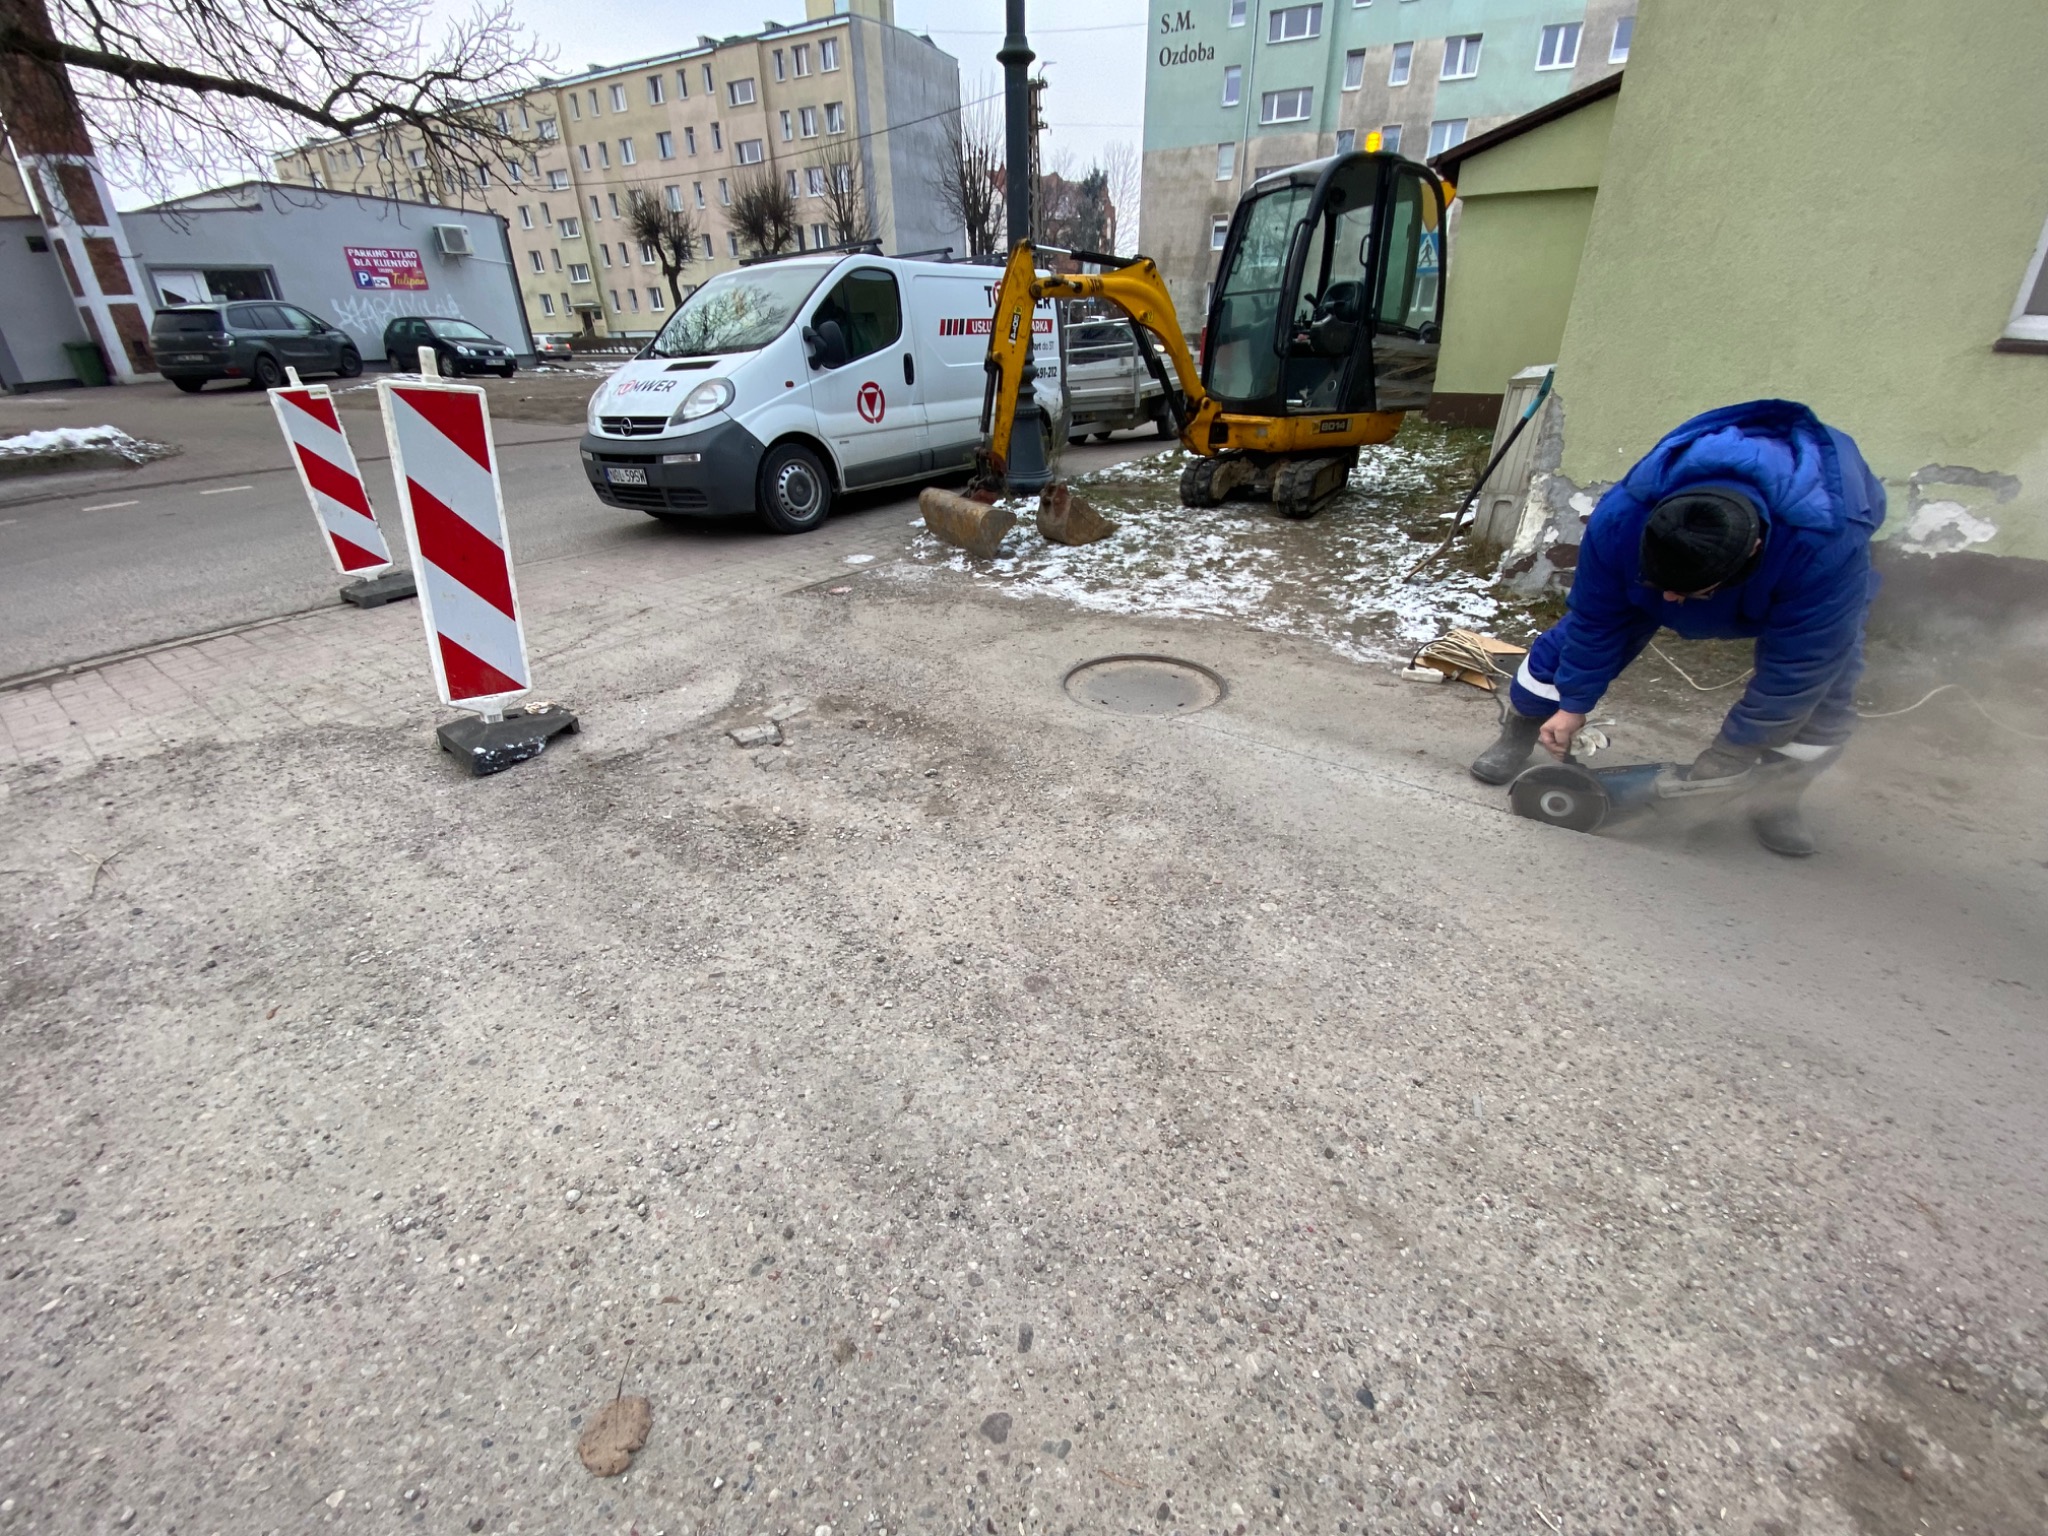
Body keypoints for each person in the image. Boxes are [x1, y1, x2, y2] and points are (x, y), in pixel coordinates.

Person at [1470, 399, 1884, 856]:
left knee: (1827, 690)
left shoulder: (1826, 544)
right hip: (1668, 558)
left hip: (1794, 576)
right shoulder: (1621, 519)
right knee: (1566, 646)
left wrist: (1731, 756)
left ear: (1753, 551)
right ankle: (1521, 729)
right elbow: (1596, 621)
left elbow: (1802, 665)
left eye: (1688, 592)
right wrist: (1572, 704)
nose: (1669, 602)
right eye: (1661, 586)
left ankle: (1777, 795)